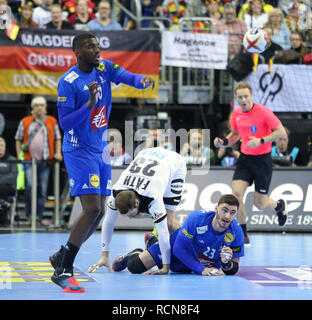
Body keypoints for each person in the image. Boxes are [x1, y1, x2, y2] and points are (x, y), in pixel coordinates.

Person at [49, 32, 155, 293]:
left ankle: (62, 255)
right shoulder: (68, 82)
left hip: (100, 149)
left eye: (97, 46)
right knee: (91, 207)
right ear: (77, 52)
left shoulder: (104, 67)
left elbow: (127, 77)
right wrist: (90, 104)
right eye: (90, 46)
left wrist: (142, 81)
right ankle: (64, 269)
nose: (96, 50)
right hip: (78, 149)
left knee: (99, 211)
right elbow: (65, 123)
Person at [87, 146, 187, 275]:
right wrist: (104, 255)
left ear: (137, 202)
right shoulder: (115, 191)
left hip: (174, 163)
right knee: (159, 217)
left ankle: (187, 247)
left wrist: (165, 267)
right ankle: (151, 242)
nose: (131, 218)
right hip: (146, 154)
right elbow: (108, 222)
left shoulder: (152, 196)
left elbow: (163, 232)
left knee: (168, 223)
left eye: (132, 214)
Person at [214, 81, 288, 245]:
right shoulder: (236, 114)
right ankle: (243, 232)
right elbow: (234, 134)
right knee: (236, 195)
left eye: (246, 96)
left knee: (260, 203)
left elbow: (281, 132)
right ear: (237, 98)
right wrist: (224, 141)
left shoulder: (264, 112)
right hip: (245, 160)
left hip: (262, 161)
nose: (243, 100)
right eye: (240, 97)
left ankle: (279, 205)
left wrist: (261, 140)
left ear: (251, 96)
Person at [98, 194, 244, 277]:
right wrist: (202, 270)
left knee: (184, 270)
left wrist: (226, 263)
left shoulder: (236, 232)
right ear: (216, 209)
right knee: (134, 267)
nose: (227, 216)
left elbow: (233, 269)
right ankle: (136, 253)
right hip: (177, 251)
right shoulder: (197, 219)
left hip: (192, 265)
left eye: (232, 213)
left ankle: (152, 241)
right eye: (224, 210)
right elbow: (179, 249)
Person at [15, 96, 63, 225]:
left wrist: (58, 152)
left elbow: (58, 138)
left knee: (42, 189)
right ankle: (29, 215)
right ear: (32, 108)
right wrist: (20, 155)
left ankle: (39, 217)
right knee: (31, 186)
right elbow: (18, 139)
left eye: (42, 105)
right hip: (29, 161)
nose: (39, 108)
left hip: (45, 161)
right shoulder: (25, 121)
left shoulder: (52, 121)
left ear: (45, 108)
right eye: (37, 105)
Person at [0, 137, 17, 225]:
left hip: (9, 187)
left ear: (5, 147)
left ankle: (3, 219)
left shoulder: (12, 160)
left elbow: (13, 176)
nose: (0, 147)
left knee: (2, 189)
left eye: (2, 145)